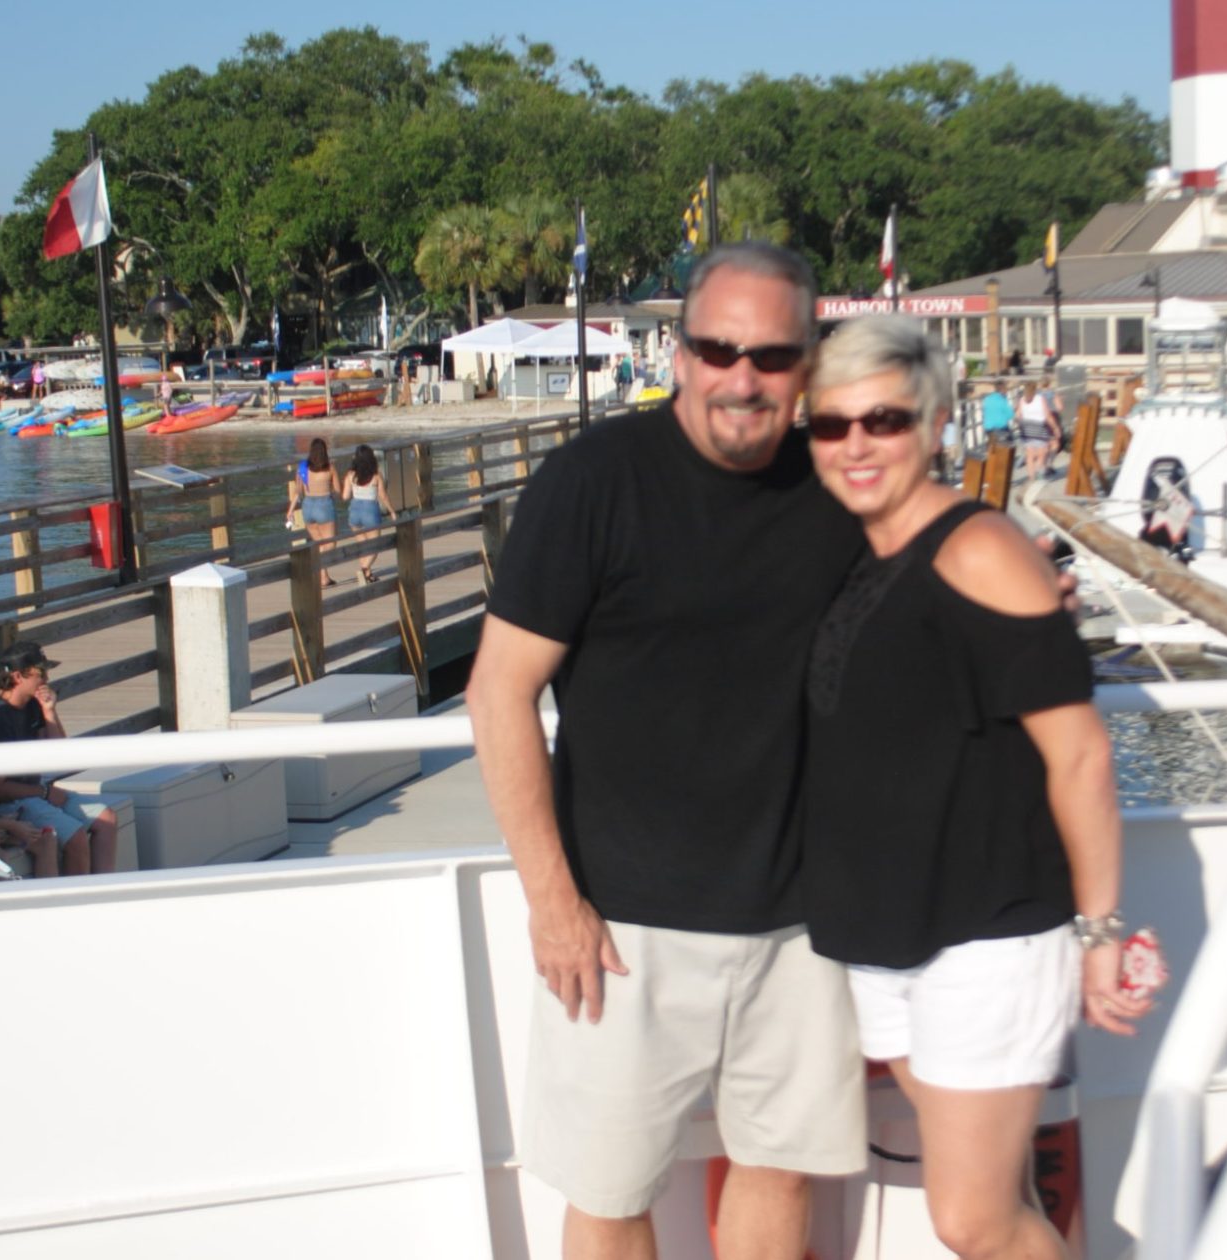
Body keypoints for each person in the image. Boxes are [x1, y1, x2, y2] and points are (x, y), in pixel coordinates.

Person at [466, 242, 869, 1260]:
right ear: (680, 354)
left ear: (807, 363)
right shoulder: (591, 482)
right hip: (617, 927)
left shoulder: (844, 485)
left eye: (773, 357)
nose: (743, 378)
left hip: (801, 919)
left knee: (779, 1173)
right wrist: (552, 902)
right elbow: (499, 692)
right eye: (718, 348)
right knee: (608, 1192)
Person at [801, 315, 1148, 1260]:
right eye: (831, 426)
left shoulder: (981, 548)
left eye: (885, 419)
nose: (857, 444)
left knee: (971, 1218)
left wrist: (1101, 931)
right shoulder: (863, 555)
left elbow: (1080, 755)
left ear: (939, 420)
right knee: (996, 1201)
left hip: (985, 933)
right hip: (890, 931)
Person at [0, 640, 119, 876]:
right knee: (75, 837)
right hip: (13, 802)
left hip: (38, 791)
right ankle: (77, 904)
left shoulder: (32, 704)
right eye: (40, 673)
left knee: (106, 819)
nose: (46, 680)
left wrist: (49, 711)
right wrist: (44, 793)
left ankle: (102, 895)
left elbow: (59, 758)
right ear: (17, 676)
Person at [286, 437, 339, 588]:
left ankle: (323, 576)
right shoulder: (330, 467)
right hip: (324, 505)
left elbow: (298, 491)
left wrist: (290, 510)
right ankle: (321, 575)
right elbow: (338, 490)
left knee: (318, 543)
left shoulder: (303, 467)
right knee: (329, 544)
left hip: (308, 506)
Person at [341, 444, 397, 585]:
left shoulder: (350, 475)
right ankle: (364, 568)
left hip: (354, 511)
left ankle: (367, 575)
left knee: (362, 545)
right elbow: (382, 496)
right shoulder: (376, 476)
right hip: (370, 511)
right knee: (375, 545)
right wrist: (392, 511)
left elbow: (345, 496)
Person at [1016, 379, 1062, 482]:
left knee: (1029, 455)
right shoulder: (1040, 399)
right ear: (1035, 389)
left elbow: (1018, 415)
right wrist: (1055, 427)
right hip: (1039, 427)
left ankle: (1031, 477)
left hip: (1026, 427)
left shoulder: (1022, 399)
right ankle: (1039, 473)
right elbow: (1047, 415)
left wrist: (1022, 422)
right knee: (1042, 453)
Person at [980, 379, 1014, 444]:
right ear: (1002, 389)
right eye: (1006, 389)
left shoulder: (987, 399)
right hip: (1000, 429)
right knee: (1011, 441)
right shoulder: (1002, 400)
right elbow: (1010, 415)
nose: (1006, 391)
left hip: (988, 430)